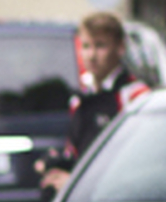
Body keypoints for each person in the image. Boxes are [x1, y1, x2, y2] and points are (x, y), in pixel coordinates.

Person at [41, 11, 149, 192]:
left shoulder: (134, 96)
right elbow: (78, 152)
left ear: (120, 48)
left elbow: (139, 162)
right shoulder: (80, 99)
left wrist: (76, 184)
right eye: (85, 46)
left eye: (100, 46)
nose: (91, 55)